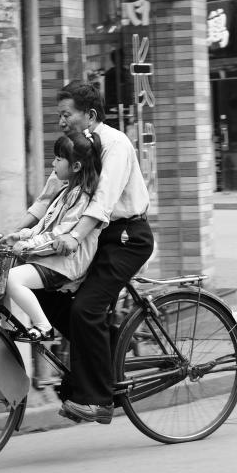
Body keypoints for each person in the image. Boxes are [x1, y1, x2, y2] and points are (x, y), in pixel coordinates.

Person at [50, 80, 153, 425]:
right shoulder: (77, 148)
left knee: (86, 307)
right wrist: (21, 232)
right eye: (59, 115)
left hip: (126, 236)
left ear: (90, 115)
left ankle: (98, 399)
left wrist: (75, 237)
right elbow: (50, 193)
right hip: (96, 235)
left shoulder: (115, 144)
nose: (61, 122)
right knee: (52, 295)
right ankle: (107, 355)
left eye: (67, 115)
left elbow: (103, 200)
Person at [0, 131, 103, 342]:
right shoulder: (65, 193)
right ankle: (2, 324)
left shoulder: (82, 198)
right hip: (51, 260)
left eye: (58, 158)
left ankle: (43, 326)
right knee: (2, 274)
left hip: (64, 264)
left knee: (12, 279)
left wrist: (27, 246)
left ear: (75, 167)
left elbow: (59, 234)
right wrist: (19, 237)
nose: (53, 163)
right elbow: (42, 227)